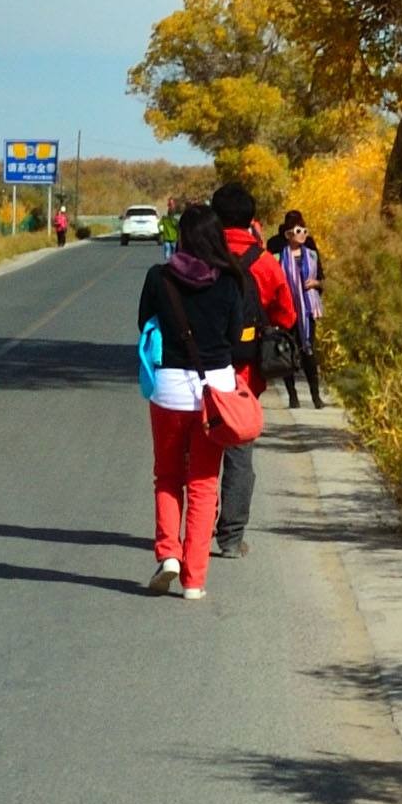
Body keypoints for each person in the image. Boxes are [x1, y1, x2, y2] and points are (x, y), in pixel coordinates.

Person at [134, 203, 246, 598]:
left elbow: (144, 323)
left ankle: (168, 553)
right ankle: (194, 579)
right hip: (214, 393)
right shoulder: (232, 280)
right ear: (217, 237)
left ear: (181, 236)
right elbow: (235, 339)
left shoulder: (159, 277)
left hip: (167, 390)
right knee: (203, 483)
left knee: (167, 475)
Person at [209, 189, 297, 552]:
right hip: (243, 374)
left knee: (198, 455)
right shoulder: (264, 262)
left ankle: (195, 529)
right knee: (239, 454)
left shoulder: (200, 256)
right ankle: (231, 538)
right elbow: (287, 314)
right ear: (251, 219)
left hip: (198, 369)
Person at [270, 208, 328, 409]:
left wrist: (315, 283)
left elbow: (322, 279)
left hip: (307, 310)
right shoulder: (278, 254)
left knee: (308, 352)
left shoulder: (311, 254)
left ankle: (315, 396)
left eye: (304, 229)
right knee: (287, 352)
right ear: (288, 233)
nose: (302, 234)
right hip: (286, 309)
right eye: (298, 230)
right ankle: (292, 395)